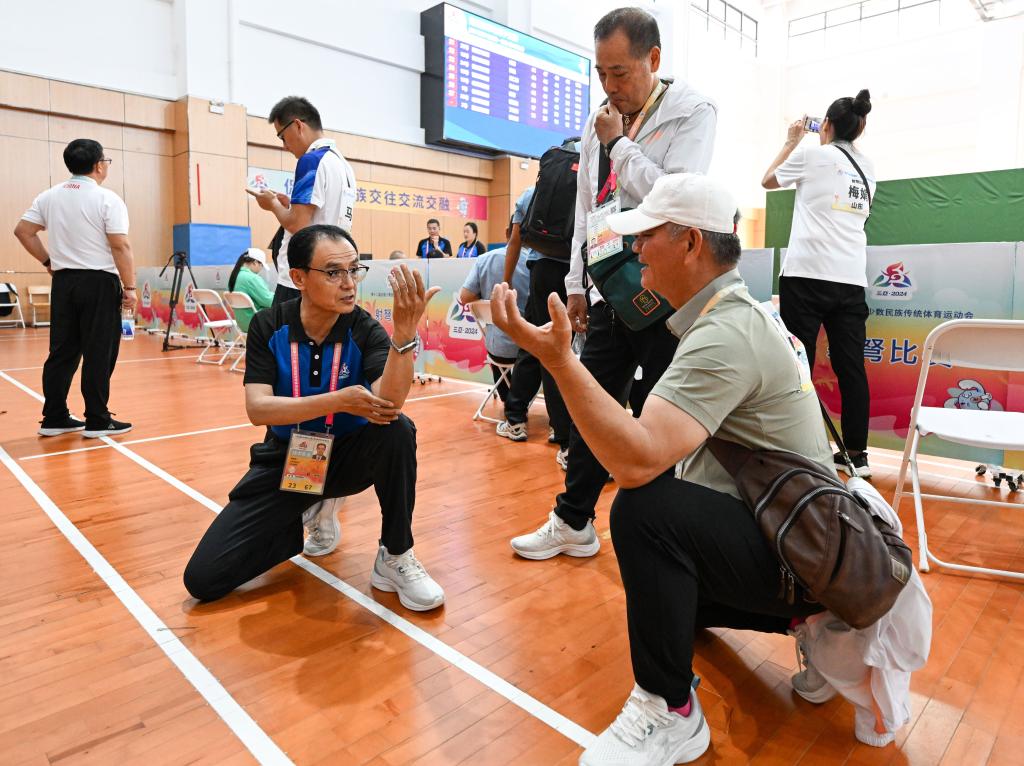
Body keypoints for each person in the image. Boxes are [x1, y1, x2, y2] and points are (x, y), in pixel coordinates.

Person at [490, 173, 834, 766]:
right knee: (671, 601)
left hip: (804, 551)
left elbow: (635, 461)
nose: (634, 249)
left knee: (645, 511)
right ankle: (813, 618)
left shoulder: (725, 332)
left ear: (691, 244)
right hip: (808, 539)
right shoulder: (728, 315)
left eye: (647, 236)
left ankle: (670, 708)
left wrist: (559, 360)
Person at [509, 7, 717, 559]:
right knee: (590, 403)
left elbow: (673, 198)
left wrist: (620, 145)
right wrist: (577, 282)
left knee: (665, 410)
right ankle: (573, 520)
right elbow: (588, 209)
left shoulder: (692, 112)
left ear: (653, 59)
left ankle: (671, 533)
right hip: (609, 287)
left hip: (668, 291)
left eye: (620, 72)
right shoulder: (597, 121)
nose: (609, 86)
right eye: (600, 72)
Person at [183, 224, 445, 612]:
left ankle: (395, 554)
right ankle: (301, 513)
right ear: (299, 278)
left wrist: (404, 333)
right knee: (204, 579)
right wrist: (336, 400)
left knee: (397, 430)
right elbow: (258, 409)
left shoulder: (364, 329)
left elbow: (389, 403)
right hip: (288, 459)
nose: (348, 283)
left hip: (348, 457)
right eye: (334, 272)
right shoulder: (268, 325)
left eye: (354, 270)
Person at [762, 90, 875, 477]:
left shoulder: (812, 155)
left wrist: (792, 140)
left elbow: (767, 181)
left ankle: (802, 449)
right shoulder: (869, 167)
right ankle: (857, 455)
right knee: (851, 367)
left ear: (824, 126)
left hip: (806, 275)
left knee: (800, 363)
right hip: (851, 279)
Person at [14, 138, 137, 438]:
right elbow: (120, 246)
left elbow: (23, 231)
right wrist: (130, 287)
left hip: (65, 282)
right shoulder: (107, 199)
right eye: (106, 160)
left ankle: (54, 417)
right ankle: (97, 418)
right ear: (98, 165)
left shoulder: (49, 196)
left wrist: (47, 261)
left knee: (62, 351)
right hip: (99, 283)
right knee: (99, 351)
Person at [250, 96, 357, 306]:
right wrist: (290, 204)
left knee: (287, 338)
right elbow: (323, 215)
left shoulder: (311, 161)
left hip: (301, 278)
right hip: (331, 274)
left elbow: (299, 226)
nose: (284, 146)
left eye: (282, 136)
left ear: (297, 125)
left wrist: (272, 204)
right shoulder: (342, 165)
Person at [497, 185, 573, 463]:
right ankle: (522, 417)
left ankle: (564, 438)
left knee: (548, 350)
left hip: (544, 271)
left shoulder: (534, 193)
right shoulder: (590, 182)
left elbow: (515, 240)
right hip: (579, 273)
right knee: (537, 346)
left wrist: (505, 282)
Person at [458, 221, 530, 403]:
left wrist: (488, 301)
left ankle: (509, 400)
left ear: (508, 232)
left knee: (496, 344)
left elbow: (465, 297)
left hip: (497, 348)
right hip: (530, 350)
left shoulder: (485, 259)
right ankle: (519, 404)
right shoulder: (535, 264)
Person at [227, 248, 274, 332]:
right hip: (256, 322)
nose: (261, 269)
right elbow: (269, 301)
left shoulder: (235, 276)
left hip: (242, 324)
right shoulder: (252, 278)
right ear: (255, 262)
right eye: (261, 265)